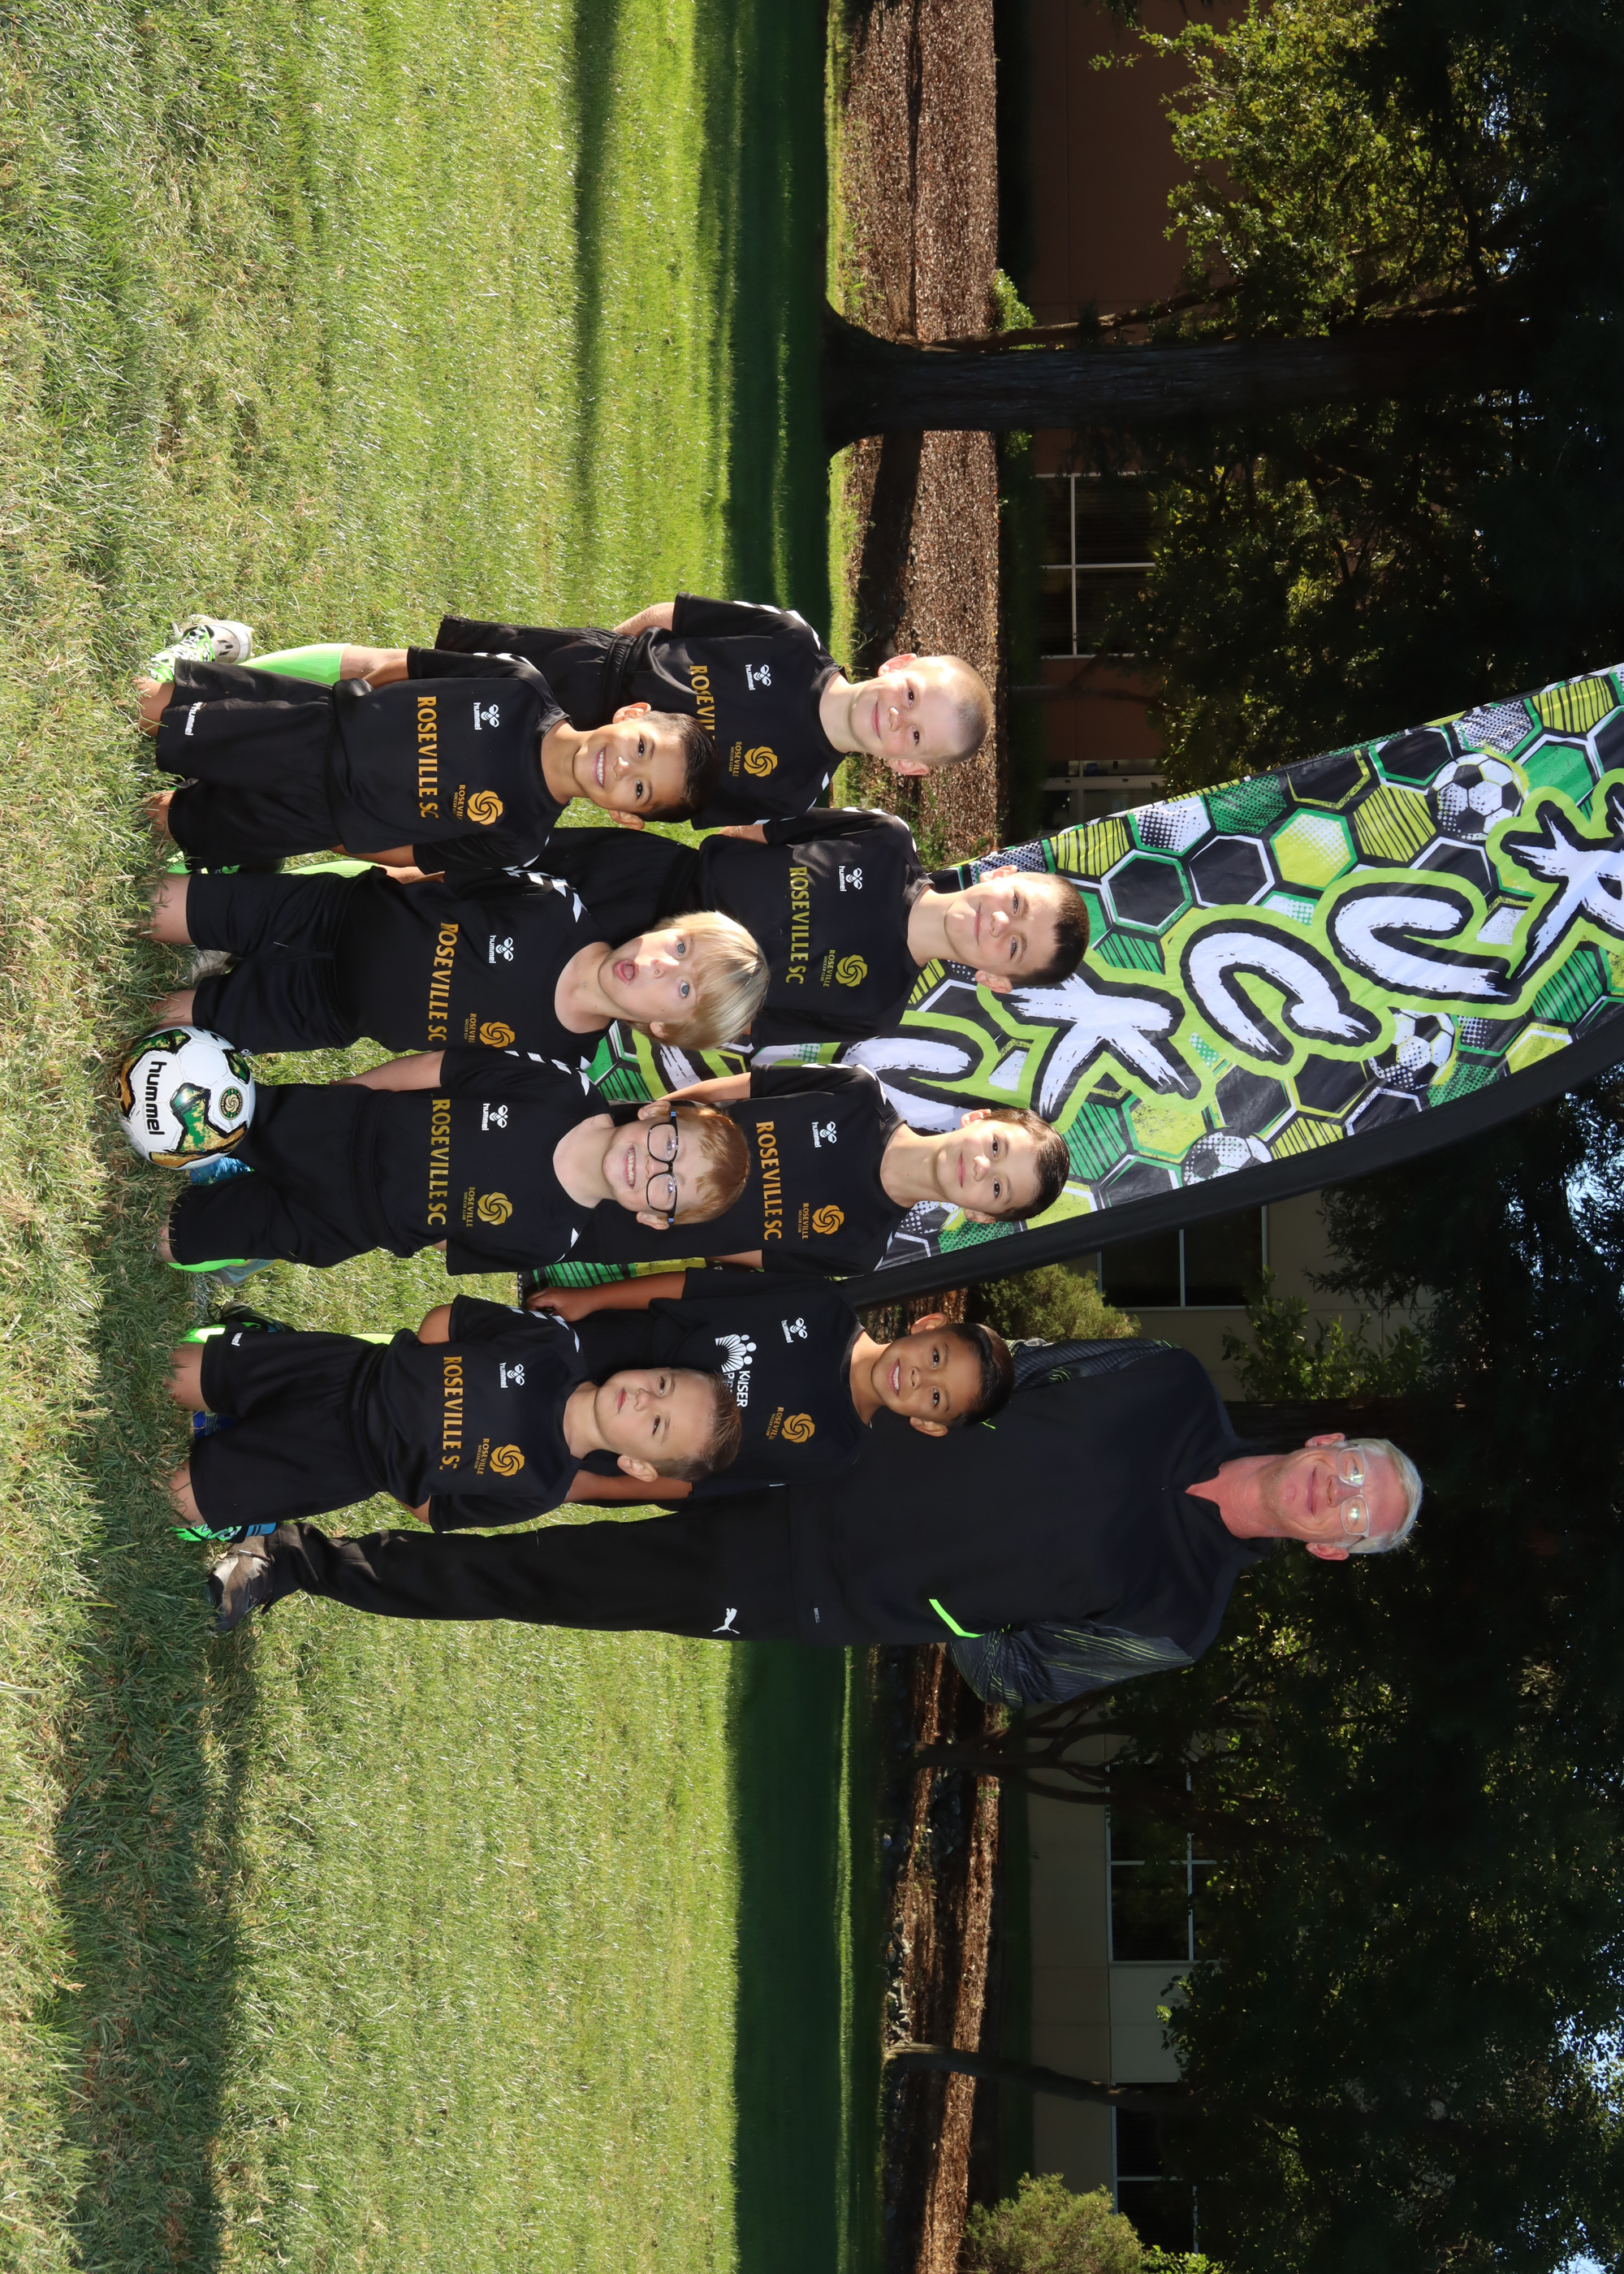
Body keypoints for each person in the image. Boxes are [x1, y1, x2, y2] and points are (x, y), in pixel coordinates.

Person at [203, 1341, 1424, 1709]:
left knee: (550, 1578)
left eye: (1354, 1517)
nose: (1338, 1494)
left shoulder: (1181, 1619)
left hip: (804, 1584)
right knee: (567, 1423)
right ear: (1329, 1442)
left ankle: (291, 1561)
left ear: (1330, 1549)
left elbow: (1023, 1673)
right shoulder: (1169, 1381)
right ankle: (283, 1388)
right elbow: (1012, 1368)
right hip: (806, 1437)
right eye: (1352, 1471)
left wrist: (936, 1592)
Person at [218, 598, 996, 826]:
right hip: (584, 675)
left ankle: (245, 781)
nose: (898, 716)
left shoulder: (793, 795)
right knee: (396, 678)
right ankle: (228, 680)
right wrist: (599, 655)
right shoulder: (791, 639)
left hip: (574, 768)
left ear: (907, 765)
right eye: (913, 695)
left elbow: (685, 808)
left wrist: (627, 802)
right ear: (899, 666)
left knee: (413, 785)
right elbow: (670, 617)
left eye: (916, 734)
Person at [167, 1297, 742, 1554]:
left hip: (342, 1464)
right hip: (340, 1370)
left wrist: (395, 1455)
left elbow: (435, 1511)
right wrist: (411, 1378)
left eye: (657, 1425)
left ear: (637, 1466)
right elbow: (447, 1321)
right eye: (661, 1383)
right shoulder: (554, 1344)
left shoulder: (542, 1486)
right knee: (173, 1371)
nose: (643, 1399)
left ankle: (247, 1492)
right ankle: (248, 1384)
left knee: (178, 1501)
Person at [496, 808, 1088, 1047]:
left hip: (632, 984)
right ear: (1002, 873)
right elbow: (756, 833)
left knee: (483, 965)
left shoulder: (876, 1010)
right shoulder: (885, 839)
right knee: (481, 874)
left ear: (995, 979)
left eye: (1015, 946)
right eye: (1016, 902)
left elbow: (743, 1025)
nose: (999, 923)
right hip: (641, 879)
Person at [154, 1051, 751, 1276]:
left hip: (344, 1223)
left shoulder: (552, 1241)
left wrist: (392, 1219)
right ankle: (212, 1147)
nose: (652, 1168)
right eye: (668, 1146)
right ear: (655, 1111)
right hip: (342, 1129)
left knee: (172, 1238)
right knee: (202, 1118)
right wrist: (347, 1094)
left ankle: (217, 1208)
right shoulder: (566, 1089)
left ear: (652, 1219)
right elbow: (438, 1070)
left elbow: (452, 1240)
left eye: (668, 1189)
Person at [135, 649, 715, 878]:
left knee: (164, 819)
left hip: (317, 816)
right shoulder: (520, 682)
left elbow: (416, 855)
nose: (624, 769)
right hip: (310, 727)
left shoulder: (521, 837)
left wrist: (343, 838)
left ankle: (195, 810)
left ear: (625, 816)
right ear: (632, 712)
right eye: (642, 748)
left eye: (640, 790)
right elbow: (409, 669)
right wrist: (363, 703)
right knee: (155, 712)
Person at [144, 867, 767, 1057]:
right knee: (151, 905)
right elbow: (443, 874)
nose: (661, 966)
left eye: (683, 990)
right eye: (680, 948)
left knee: (163, 1022)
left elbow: (445, 1069)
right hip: (328, 913)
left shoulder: (563, 1059)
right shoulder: (558, 906)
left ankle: (211, 984)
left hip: (324, 1012)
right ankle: (217, 934)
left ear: (664, 1029)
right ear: (665, 928)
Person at [533, 1064, 1071, 1279]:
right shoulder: (857, 1091)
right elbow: (729, 1094)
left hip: (611, 1231)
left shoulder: (859, 1251)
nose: (981, 1166)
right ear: (979, 1118)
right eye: (996, 1146)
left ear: (980, 1214)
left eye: (997, 1187)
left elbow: (738, 1252)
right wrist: (651, 1116)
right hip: (605, 1142)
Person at [523, 1267, 1014, 1501]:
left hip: (596, 1447)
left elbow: (697, 1481)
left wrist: (592, 1487)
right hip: (596, 1344)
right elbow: (694, 1288)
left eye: (936, 1397)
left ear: (929, 1424)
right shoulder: (823, 1303)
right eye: (936, 1357)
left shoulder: (833, 1452)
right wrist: (591, 1299)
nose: (920, 1377)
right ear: (928, 1325)